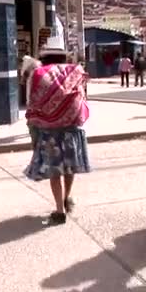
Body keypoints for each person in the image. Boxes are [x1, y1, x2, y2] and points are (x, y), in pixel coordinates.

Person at [24, 46, 91, 225]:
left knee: (55, 171)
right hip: (72, 129)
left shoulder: (39, 74)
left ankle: (59, 211)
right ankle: (67, 198)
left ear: (44, 59)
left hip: (49, 132)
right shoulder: (75, 72)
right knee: (69, 168)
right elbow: (83, 98)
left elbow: (32, 104)